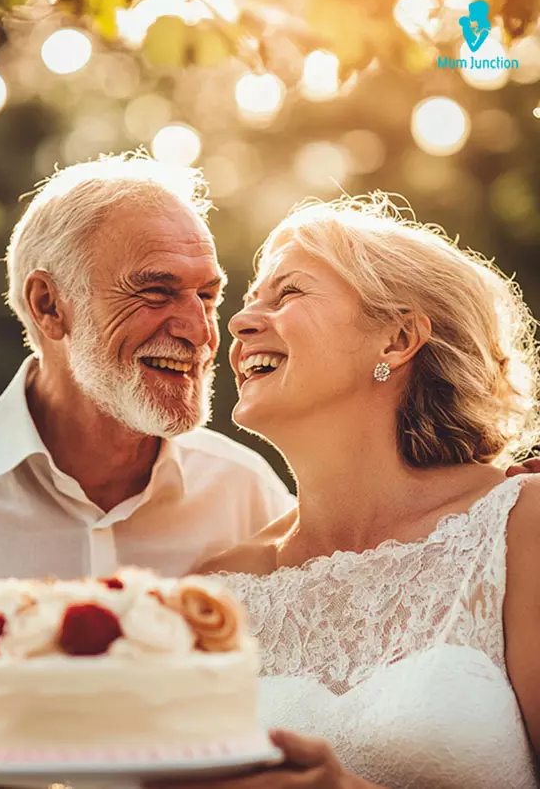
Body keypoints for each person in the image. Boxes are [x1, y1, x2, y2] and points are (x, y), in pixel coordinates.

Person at [0, 152, 294, 789]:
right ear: (49, 306)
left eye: (207, 295)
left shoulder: (249, 491)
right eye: (156, 291)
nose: (198, 330)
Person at [176, 194, 540, 789]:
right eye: (247, 304)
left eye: (289, 293)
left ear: (396, 339)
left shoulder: (520, 527)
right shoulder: (215, 588)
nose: (238, 325)